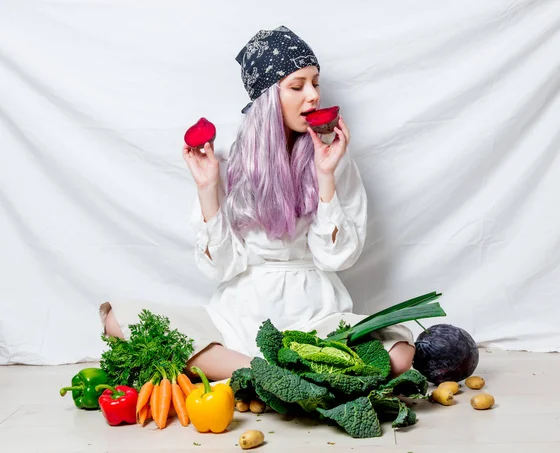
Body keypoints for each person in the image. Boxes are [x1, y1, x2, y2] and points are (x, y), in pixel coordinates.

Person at [101, 25, 415, 381]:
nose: (312, 96)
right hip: (239, 314)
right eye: (297, 86)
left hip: (317, 316)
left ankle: (262, 372)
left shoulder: (334, 156)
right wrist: (207, 188)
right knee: (116, 319)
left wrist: (325, 174)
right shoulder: (226, 162)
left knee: (401, 352)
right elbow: (222, 268)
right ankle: (269, 372)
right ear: (266, 97)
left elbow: (336, 258)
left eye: (316, 83)